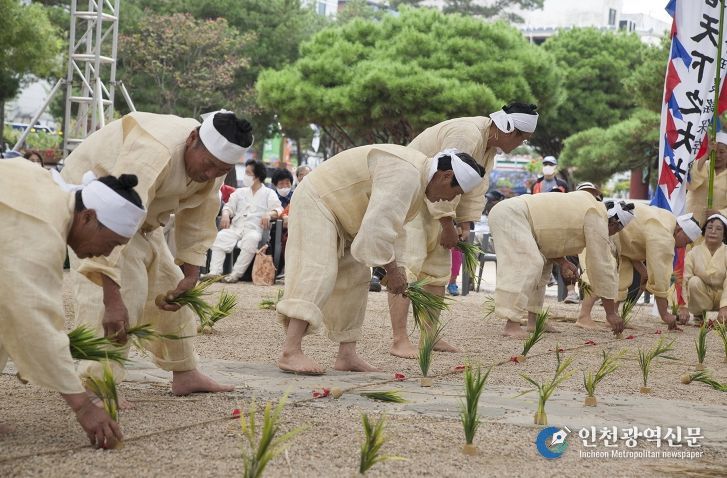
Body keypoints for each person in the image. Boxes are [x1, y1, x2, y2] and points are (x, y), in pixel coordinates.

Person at [61, 109, 254, 398]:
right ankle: (96, 383)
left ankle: (185, 372)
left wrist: (191, 274)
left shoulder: (214, 165)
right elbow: (112, 214)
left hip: (143, 218)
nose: (211, 174)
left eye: (221, 169)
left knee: (170, 285)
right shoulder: (153, 151)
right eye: (209, 164)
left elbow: (199, 218)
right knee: (122, 295)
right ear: (192, 139)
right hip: (94, 213)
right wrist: (112, 298)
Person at [277, 146, 485, 374]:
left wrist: (399, 268)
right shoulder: (407, 174)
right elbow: (378, 228)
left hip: (346, 216)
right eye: (456, 191)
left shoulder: (417, 179)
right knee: (318, 270)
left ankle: (346, 355)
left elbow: (395, 229)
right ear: (446, 176)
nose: (451, 198)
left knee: (356, 278)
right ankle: (290, 351)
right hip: (318, 199)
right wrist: (392, 270)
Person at [0, 158, 145, 449]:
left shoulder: (48, 191)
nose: (107, 253)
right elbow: (34, 321)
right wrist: (83, 406)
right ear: (88, 217)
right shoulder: (43, 230)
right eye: (111, 243)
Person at [388, 102, 539, 358]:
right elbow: (446, 176)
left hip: (438, 202)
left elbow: (475, 188)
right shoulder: (467, 134)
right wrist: (447, 222)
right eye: (522, 138)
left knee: (437, 271)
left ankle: (429, 335)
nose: (521, 144)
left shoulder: (488, 148)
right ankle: (399, 339)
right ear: (508, 129)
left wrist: (465, 223)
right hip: (412, 195)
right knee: (408, 266)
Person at [488, 191, 633, 338]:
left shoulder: (590, 207)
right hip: (512, 214)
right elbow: (601, 266)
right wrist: (611, 313)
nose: (613, 234)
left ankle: (534, 320)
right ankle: (511, 325)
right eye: (616, 230)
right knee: (529, 263)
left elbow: (550, 234)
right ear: (613, 223)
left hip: (517, 215)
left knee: (543, 265)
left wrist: (563, 262)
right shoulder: (596, 216)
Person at [613, 204, 701, 329]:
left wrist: (644, 272)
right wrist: (664, 314)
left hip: (618, 234)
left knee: (623, 279)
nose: (683, 246)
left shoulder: (667, 218)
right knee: (600, 276)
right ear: (679, 230)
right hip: (611, 229)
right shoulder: (665, 235)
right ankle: (586, 316)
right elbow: (660, 276)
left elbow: (632, 244)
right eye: (687, 241)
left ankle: (612, 316)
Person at [204, 159, 282, 283]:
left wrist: (269, 214)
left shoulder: (269, 193)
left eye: (248, 173)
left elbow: (278, 209)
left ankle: (235, 275)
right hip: (236, 228)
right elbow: (229, 206)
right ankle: (214, 272)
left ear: (257, 176)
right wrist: (225, 214)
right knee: (220, 237)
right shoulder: (240, 192)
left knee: (251, 240)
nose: (245, 175)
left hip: (254, 230)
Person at [679, 214, 727, 325]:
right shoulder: (693, 253)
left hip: (723, 296)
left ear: (724, 235)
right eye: (709, 228)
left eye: (718, 229)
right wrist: (683, 307)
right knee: (693, 281)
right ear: (704, 232)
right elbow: (684, 279)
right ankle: (699, 314)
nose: (713, 231)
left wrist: (724, 307)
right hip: (703, 296)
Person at [686, 131, 727, 227]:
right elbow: (690, 184)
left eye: (722, 152)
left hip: (715, 228)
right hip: (690, 224)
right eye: (714, 151)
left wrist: (719, 213)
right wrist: (706, 154)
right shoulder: (701, 165)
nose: (717, 156)